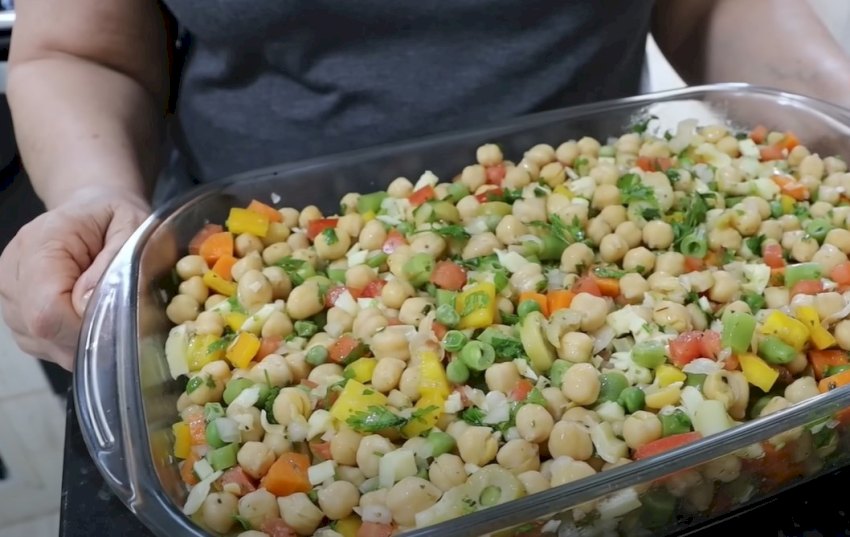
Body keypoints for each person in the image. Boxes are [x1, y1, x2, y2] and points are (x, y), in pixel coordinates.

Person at [1, 0, 849, 370]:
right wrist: (92, 193)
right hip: (246, 283)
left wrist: (832, 107)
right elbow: (82, 47)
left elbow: (707, 5)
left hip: (617, 223)